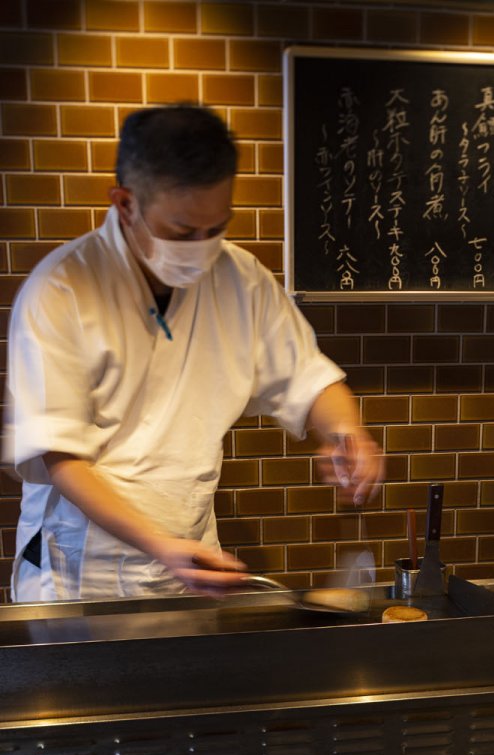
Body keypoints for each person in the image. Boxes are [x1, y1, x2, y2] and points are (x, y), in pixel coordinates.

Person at [3, 103, 382, 603]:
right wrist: (161, 546)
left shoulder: (241, 278)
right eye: (183, 232)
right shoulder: (60, 289)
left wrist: (347, 433)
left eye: (216, 228)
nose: (203, 247)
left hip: (192, 553)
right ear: (125, 203)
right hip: (81, 566)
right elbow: (60, 456)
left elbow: (309, 378)